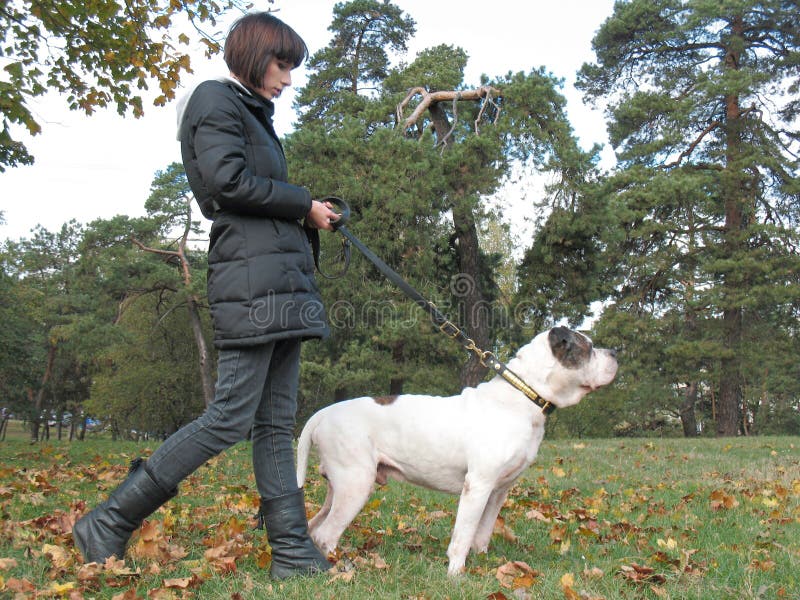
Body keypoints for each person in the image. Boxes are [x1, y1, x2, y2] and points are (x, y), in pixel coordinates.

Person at [72, 12, 339, 580]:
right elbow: (226, 183)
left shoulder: (248, 110)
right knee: (228, 417)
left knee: (276, 422)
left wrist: (309, 213)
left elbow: (255, 190)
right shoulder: (215, 100)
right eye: (281, 65)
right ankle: (109, 520)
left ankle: (292, 552)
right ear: (254, 55)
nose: (288, 79)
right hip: (250, 284)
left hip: (277, 283)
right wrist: (302, 204)